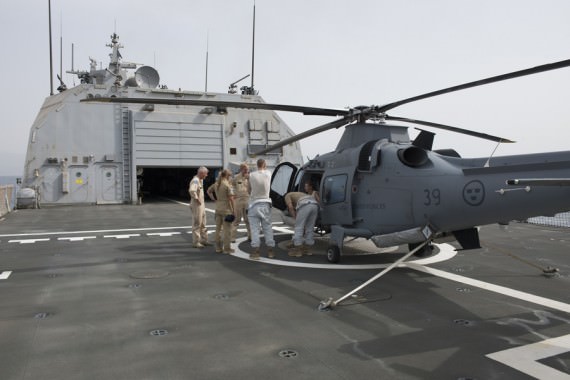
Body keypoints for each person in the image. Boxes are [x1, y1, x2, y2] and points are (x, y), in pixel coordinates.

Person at [247, 158, 275, 260]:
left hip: (254, 204)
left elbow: (248, 190)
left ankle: (255, 251)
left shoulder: (251, 175)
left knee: (254, 229)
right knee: (267, 228)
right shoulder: (268, 173)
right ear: (264, 164)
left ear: (257, 164)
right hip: (266, 203)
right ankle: (270, 251)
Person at [284, 182, 319, 257]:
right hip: (314, 205)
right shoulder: (299, 194)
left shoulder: (287, 196)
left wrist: (295, 218)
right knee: (309, 228)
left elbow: (290, 207)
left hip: (305, 204)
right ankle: (307, 250)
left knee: (298, 227)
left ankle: (298, 251)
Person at [207, 169, 236, 254]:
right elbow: (231, 199)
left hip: (218, 208)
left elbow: (208, 191)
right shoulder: (227, 185)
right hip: (226, 209)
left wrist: (214, 199)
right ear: (227, 176)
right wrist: (234, 210)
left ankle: (218, 248)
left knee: (218, 229)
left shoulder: (216, 184)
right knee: (227, 230)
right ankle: (227, 249)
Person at [188, 166, 211, 248]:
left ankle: (204, 240)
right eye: (206, 174)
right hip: (196, 205)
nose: (206, 175)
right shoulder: (196, 180)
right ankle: (196, 242)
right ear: (201, 173)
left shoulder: (200, 180)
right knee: (197, 223)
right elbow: (192, 190)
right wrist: (197, 199)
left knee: (203, 223)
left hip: (201, 205)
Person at [231, 163, 251, 243]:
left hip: (247, 200)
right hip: (238, 200)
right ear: (241, 169)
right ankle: (232, 238)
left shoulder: (250, 177)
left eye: (247, 169)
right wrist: (233, 194)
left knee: (248, 219)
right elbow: (231, 186)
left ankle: (250, 236)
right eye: (245, 169)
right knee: (236, 220)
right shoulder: (236, 177)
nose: (247, 171)